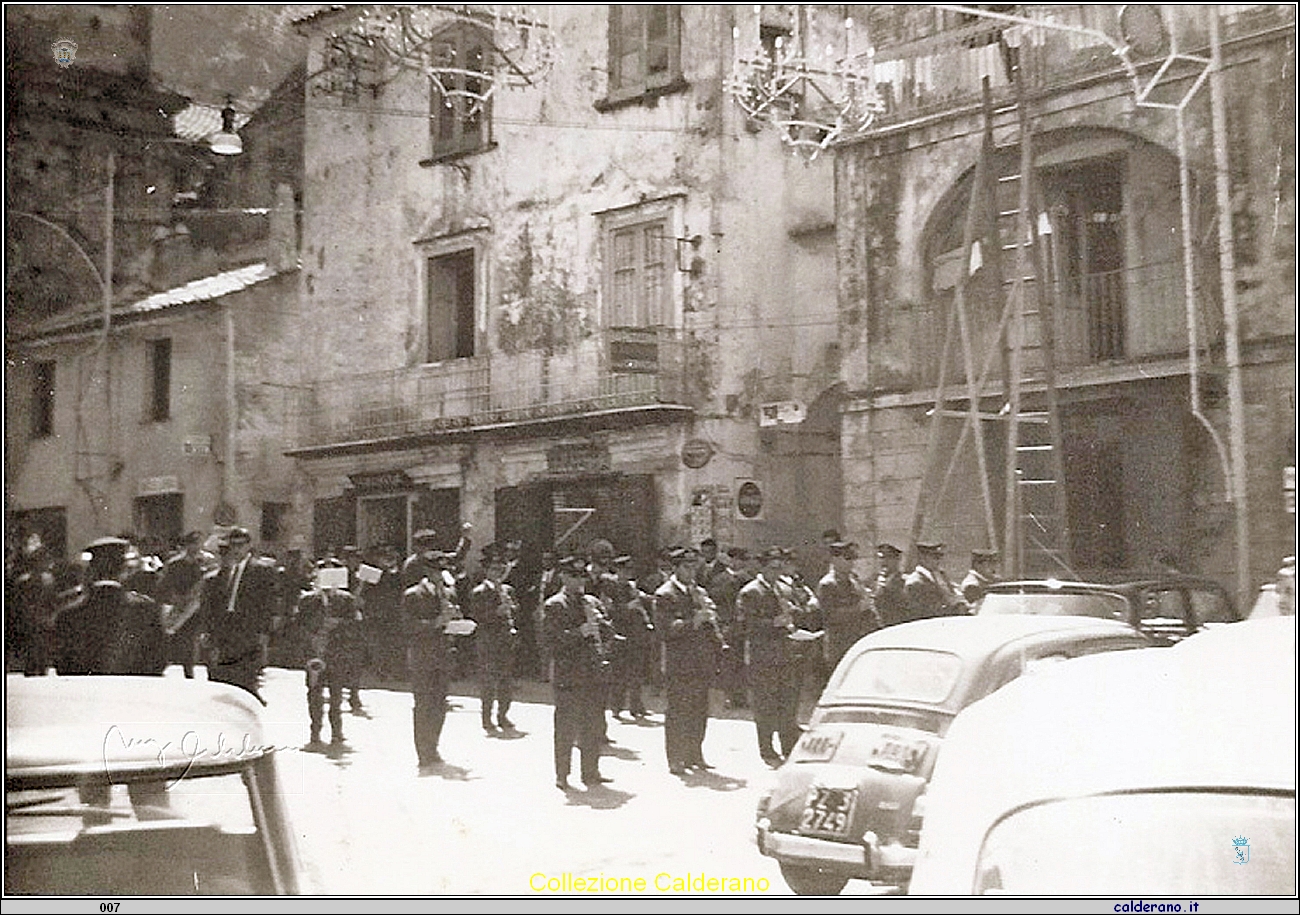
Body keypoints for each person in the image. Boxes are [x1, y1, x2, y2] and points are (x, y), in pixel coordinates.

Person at [654, 546, 726, 776]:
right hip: (680, 662)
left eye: (694, 566)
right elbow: (665, 630)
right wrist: (693, 621)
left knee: (698, 709)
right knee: (678, 710)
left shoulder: (699, 592)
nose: (691, 571)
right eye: (686, 567)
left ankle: (694, 753)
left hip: (701, 660)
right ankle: (675, 758)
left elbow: (708, 624)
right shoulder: (665, 594)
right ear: (676, 568)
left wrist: (712, 622)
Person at [544, 556, 615, 790]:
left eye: (582, 577)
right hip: (569, 675)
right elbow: (551, 642)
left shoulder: (591, 602)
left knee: (593, 725)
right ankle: (562, 774)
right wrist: (580, 632)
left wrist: (602, 625)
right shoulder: (555, 604)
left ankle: (591, 771)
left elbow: (608, 632)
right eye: (574, 577)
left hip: (593, 672)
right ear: (564, 577)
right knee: (566, 727)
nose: (579, 582)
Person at [54, 536, 166, 676]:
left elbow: (63, 666)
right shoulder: (146, 609)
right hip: (134, 693)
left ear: (92, 570)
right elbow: (159, 660)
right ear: (123, 569)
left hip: (86, 694)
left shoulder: (68, 614)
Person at [738, 547, 808, 767]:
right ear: (763, 567)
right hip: (764, 657)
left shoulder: (783, 589)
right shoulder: (751, 592)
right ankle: (767, 748)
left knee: (787, 703)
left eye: (779, 567)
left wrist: (796, 614)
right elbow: (744, 626)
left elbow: (797, 611)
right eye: (772, 568)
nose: (776, 572)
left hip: (786, 654)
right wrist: (772, 623)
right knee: (765, 704)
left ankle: (788, 746)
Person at [198, 527, 280, 703]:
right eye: (233, 545)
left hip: (248, 629)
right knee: (221, 675)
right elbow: (211, 604)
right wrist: (207, 630)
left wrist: (265, 632)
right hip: (224, 630)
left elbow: (269, 603)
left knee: (246, 676)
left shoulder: (262, 570)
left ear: (248, 545)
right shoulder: (221, 572)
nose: (236, 549)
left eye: (240, 545)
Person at [401, 553, 467, 768]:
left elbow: (451, 623)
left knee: (440, 704)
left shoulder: (449, 593)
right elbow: (407, 626)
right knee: (423, 704)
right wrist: (435, 622)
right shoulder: (413, 594)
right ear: (428, 573)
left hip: (443, 655)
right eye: (438, 572)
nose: (441, 576)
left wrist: (456, 619)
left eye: (444, 572)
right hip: (423, 656)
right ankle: (423, 752)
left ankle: (433, 746)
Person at [295, 561, 362, 746]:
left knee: (336, 695)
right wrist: (312, 636)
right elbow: (298, 626)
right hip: (314, 652)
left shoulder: (346, 599)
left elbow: (355, 627)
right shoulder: (307, 599)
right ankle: (315, 731)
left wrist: (339, 624)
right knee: (314, 693)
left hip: (336, 653)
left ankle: (336, 731)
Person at [466, 545, 519, 732]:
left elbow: (517, 611)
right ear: (486, 571)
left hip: (505, 638)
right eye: (494, 569)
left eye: (501, 569)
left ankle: (503, 714)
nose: (498, 573)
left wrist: (511, 610)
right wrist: (496, 612)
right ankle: (486, 717)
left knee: (506, 679)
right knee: (488, 680)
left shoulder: (508, 590)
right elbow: (476, 616)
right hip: (488, 639)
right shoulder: (479, 591)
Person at [605, 554, 654, 720]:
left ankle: (636, 706)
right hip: (620, 633)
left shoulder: (632, 587)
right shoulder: (610, 587)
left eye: (629, 571)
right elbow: (608, 612)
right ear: (617, 571)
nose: (627, 574)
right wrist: (627, 607)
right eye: (624, 571)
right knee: (619, 672)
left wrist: (644, 600)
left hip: (636, 634)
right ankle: (616, 707)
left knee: (637, 671)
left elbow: (645, 601)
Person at [157, 531, 211, 678]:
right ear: (187, 545)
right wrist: (176, 599)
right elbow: (165, 585)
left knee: (191, 638)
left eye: (199, 543)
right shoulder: (176, 563)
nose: (197, 547)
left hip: (195, 607)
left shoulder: (204, 563)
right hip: (178, 606)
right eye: (193, 543)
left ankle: (189, 670)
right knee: (176, 637)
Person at [818, 541, 879, 671]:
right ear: (835, 560)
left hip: (859, 640)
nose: (851, 563)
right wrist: (859, 608)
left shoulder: (853, 579)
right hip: (840, 644)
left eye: (852, 558)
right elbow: (830, 616)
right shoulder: (828, 585)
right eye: (847, 558)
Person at [706, 546, 749, 709]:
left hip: (743, 625)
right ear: (731, 561)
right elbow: (716, 599)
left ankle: (741, 696)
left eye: (743, 560)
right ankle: (728, 696)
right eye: (737, 560)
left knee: (742, 662)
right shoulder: (720, 579)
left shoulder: (748, 578)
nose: (740, 563)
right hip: (728, 624)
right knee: (727, 662)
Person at [903, 541, 963, 620]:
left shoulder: (940, 575)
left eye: (940, 556)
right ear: (923, 558)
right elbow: (923, 613)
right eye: (935, 557)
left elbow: (951, 594)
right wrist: (954, 607)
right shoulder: (915, 582)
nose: (938, 561)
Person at [873, 543, 908, 628]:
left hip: (897, 626)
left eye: (889, 557)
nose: (884, 561)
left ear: (898, 559)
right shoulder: (873, 580)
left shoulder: (905, 581)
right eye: (881, 557)